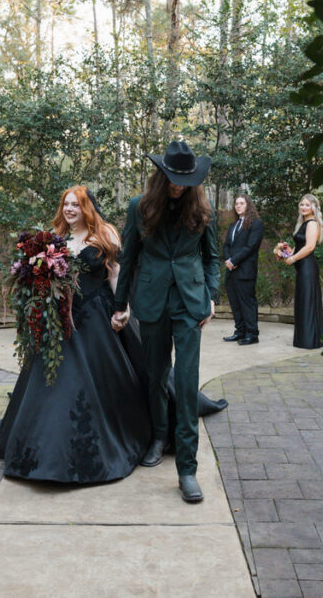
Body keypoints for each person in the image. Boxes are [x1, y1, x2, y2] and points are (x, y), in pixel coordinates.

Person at [0, 186, 151, 483]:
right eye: (66, 204)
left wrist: (122, 308)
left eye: (76, 204)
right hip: (59, 317)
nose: (70, 209)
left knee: (98, 377)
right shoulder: (55, 237)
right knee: (52, 380)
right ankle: (44, 447)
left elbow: (115, 272)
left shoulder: (104, 234)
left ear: (87, 208)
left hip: (95, 316)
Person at [111, 140, 220, 504]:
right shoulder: (139, 208)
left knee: (186, 385)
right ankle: (159, 437)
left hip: (190, 305)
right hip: (151, 302)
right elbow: (128, 258)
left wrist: (211, 296)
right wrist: (120, 304)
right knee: (156, 376)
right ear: (161, 175)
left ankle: (187, 470)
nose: (178, 186)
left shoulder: (203, 209)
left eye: (185, 181)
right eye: (173, 179)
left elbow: (212, 258)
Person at [274, 193, 323, 349]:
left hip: (308, 268)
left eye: (307, 205)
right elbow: (299, 247)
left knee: (307, 301)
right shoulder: (303, 223)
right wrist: (286, 251)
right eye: (302, 204)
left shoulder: (312, 223)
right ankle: (304, 339)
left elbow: (309, 247)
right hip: (302, 267)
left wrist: (293, 259)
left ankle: (309, 341)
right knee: (303, 301)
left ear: (314, 207)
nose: (304, 207)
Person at [222, 194, 264, 346]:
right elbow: (226, 245)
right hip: (231, 270)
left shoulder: (256, 224)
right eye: (236, 204)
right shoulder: (233, 225)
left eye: (242, 203)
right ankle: (240, 331)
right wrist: (229, 260)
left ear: (248, 205)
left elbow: (250, 246)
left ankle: (252, 334)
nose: (238, 206)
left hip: (245, 271)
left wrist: (234, 260)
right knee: (235, 303)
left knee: (247, 303)